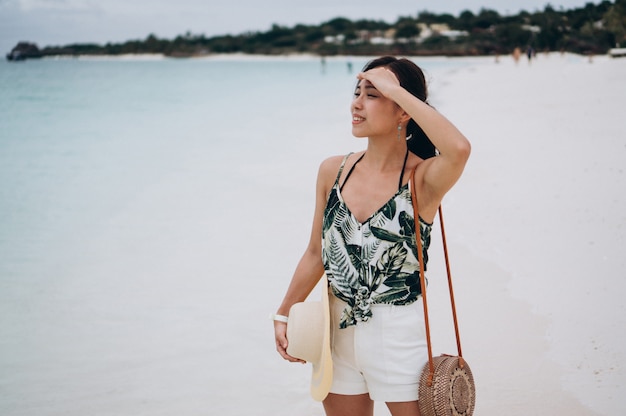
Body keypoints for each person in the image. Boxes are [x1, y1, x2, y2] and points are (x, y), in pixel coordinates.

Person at [273, 56, 471, 416]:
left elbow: (458, 149)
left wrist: (395, 88)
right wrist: (285, 314)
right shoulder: (333, 171)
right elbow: (316, 254)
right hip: (336, 336)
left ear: (403, 111)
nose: (356, 103)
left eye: (373, 94)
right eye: (356, 92)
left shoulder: (422, 179)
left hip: (398, 339)